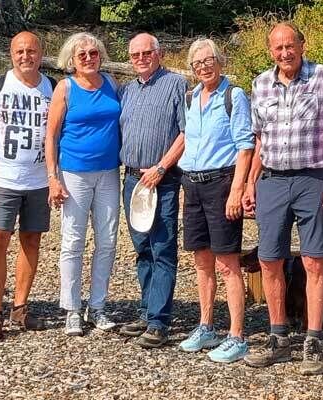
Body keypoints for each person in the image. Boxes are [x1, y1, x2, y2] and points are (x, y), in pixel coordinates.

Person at [241, 22, 323, 372]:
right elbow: (259, 138)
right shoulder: (260, 84)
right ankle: (278, 336)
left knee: (314, 261)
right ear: (270, 51)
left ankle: (313, 340)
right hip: (272, 180)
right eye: (278, 48)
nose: (285, 53)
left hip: (313, 178)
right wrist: (249, 182)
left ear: (302, 45)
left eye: (290, 46)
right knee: (269, 260)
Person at [174, 39, 254, 363]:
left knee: (227, 263)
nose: (204, 67)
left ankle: (237, 335)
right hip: (193, 184)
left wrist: (237, 190)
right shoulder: (191, 98)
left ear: (220, 61)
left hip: (221, 183)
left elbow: (245, 147)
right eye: (197, 63)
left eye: (209, 61)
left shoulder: (234, 96)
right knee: (201, 260)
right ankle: (206, 325)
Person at [0, 31, 54, 341]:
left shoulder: (52, 86)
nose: (25, 56)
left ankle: (20, 307)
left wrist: (55, 176)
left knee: (31, 241)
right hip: (3, 178)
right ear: (11, 54)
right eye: (19, 51)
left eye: (31, 51)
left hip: (38, 181)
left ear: (40, 54)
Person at [45, 32, 122, 337]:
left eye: (93, 53)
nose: (89, 58)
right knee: (73, 241)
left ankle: (98, 305)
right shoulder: (65, 88)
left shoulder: (111, 84)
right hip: (74, 173)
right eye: (82, 55)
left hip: (109, 172)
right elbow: (51, 135)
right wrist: (52, 178)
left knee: (108, 240)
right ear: (72, 60)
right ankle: (72, 308)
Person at [117, 32, 187, 348]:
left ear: (159, 53)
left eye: (147, 53)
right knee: (142, 248)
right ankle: (146, 311)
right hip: (132, 179)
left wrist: (161, 167)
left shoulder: (175, 84)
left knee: (163, 247)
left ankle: (159, 321)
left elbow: (186, 133)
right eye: (136, 55)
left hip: (163, 178)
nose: (141, 59)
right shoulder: (127, 91)